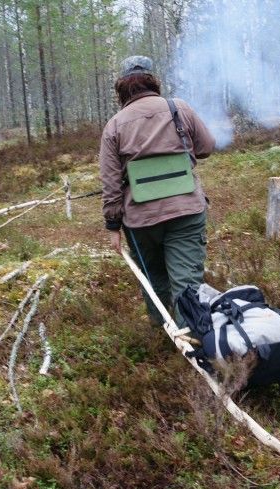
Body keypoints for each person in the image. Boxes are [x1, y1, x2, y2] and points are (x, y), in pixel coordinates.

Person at [99, 56, 216, 326]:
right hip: (186, 211)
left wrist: (112, 226)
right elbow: (206, 146)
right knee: (187, 281)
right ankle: (194, 338)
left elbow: (110, 181)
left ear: (122, 87)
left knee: (153, 276)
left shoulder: (114, 125)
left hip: (141, 222)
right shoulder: (179, 108)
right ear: (153, 80)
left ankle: (166, 336)